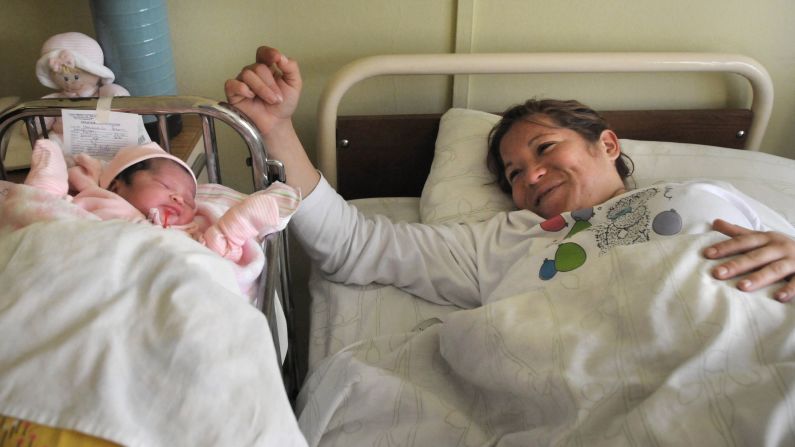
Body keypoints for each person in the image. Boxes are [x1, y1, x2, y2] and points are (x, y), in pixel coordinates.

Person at [224, 45, 795, 304]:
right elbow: (352, 244)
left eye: (547, 148)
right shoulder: (509, 241)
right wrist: (276, 128)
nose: (533, 176)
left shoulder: (705, 195)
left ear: (608, 145)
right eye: (514, 173)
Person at [24, 139, 300, 265]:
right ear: (116, 185)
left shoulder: (191, 231)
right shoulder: (98, 202)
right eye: (165, 186)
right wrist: (50, 193)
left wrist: (224, 236)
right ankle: (45, 183)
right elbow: (52, 227)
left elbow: (209, 266)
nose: (180, 198)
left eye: (190, 199)